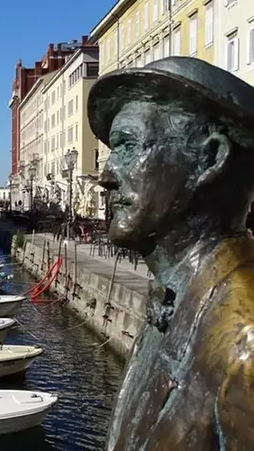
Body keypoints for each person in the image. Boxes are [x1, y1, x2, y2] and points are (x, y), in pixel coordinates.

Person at [88, 56, 254, 450]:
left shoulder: (244, 342)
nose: (106, 176)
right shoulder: (176, 299)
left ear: (208, 159)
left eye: (127, 146)